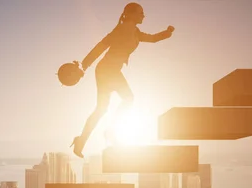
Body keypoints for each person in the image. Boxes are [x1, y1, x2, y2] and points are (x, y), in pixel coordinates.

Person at [71, 2, 175, 158]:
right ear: (131, 14)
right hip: (107, 70)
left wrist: (167, 33)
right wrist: (84, 66)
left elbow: (152, 38)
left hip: (110, 70)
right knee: (125, 99)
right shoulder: (120, 29)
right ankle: (109, 132)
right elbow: (100, 46)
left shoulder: (135, 32)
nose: (143, 16)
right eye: (140, 13)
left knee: (103, 108)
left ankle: (82, 140)